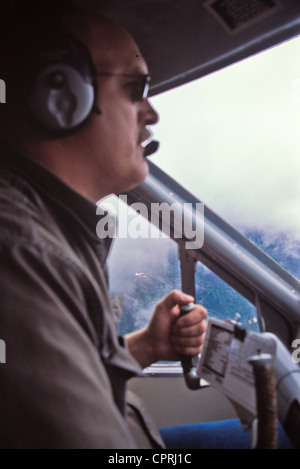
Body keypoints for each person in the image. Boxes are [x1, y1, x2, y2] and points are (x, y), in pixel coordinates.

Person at [0, 1, 208, 449]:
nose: (151, 114)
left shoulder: (45, 228)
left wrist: (147, 347)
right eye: (136, 89)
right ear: (59, 93)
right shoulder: (19, 250)